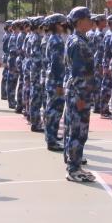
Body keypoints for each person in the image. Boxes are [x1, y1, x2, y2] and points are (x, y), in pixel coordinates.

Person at [63, 7, 97, 182]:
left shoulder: (79, 39)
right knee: (78, 132)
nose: (91, 21)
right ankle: (73, 169)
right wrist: (82, 97)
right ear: (79, 21)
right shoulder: (77, 43)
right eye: (88, 18)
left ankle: (75, 165)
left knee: (78, 131)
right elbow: (78, 73)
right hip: (79, 93)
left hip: (79, 92)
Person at [42, 13, 67, 152]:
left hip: (51, 79)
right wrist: (59, 84)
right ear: (56, 25)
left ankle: (50, 136)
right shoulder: (57, 41)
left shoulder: (53, 38)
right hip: (56, 80)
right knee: (55, 111)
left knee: (51, 109)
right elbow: (57, 64)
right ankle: (51, 140)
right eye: (61, 23)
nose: (63, 26)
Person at [0, 20, 13, 101]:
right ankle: (4, 93)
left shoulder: (8, 34)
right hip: (7, 57)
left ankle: (4, 93)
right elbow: (5, 48)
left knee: (5, 76)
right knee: (6, 76)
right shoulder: (8, 35)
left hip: (6, 57)